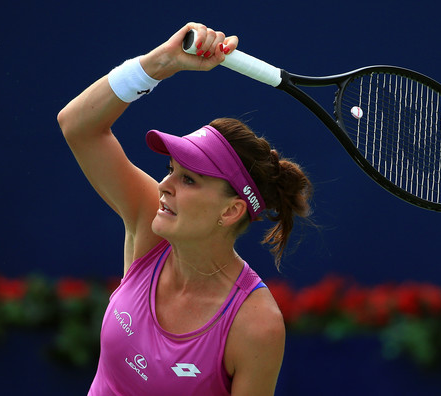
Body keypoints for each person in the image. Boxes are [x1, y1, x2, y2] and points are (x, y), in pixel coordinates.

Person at [57, 22, 313, 396]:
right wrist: (162, 62)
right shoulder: (150, 220)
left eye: (189, 180)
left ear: (231, 211)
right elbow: (77, 126)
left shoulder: (256, 324)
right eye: (170, 171)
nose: (164, 186)